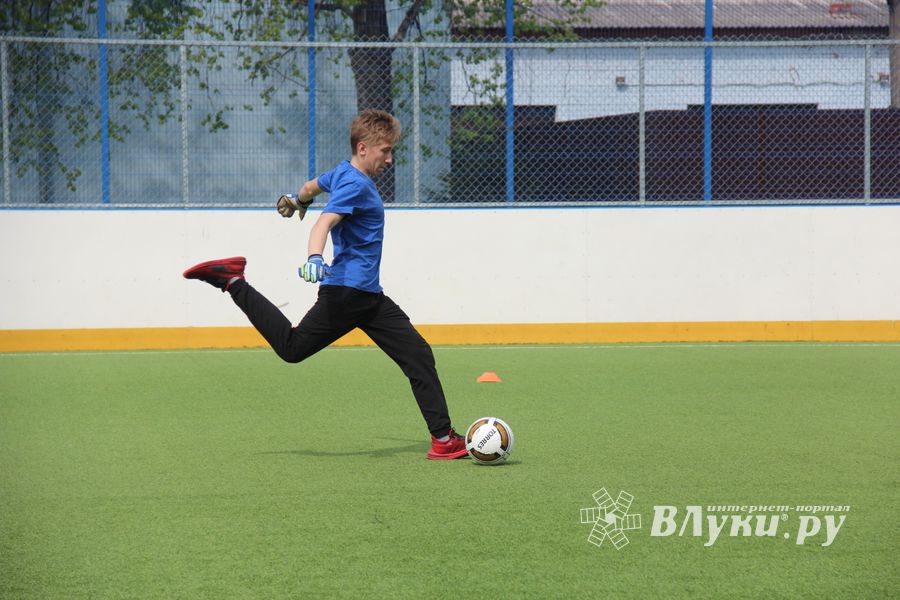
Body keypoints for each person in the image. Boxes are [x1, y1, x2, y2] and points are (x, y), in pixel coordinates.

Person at [183, 109, 468, 460]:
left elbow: (308, 189)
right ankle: (232, 279)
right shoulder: (356, 185)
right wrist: (315, 258)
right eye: (385, 151)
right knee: (292, 348)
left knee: (418, 355)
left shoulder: (340, 173)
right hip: (348, 293)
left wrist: (298, 201)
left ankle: (443, 439)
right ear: (364, 148)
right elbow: (324, 223)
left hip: (367, 296)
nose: (389, 158)